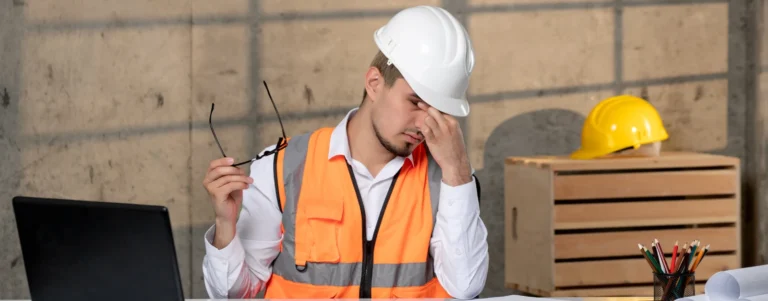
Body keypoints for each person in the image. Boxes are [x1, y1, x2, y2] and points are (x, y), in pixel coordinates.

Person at [201, 5, 489, 299]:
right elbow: (233, 295)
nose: (423, 124)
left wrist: (458, 171)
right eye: (415, 103)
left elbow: (465, 287)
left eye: (438, 111)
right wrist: (225, 225)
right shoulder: (283, 167)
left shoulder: (449, 179)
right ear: (374, 84)